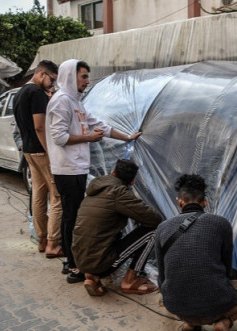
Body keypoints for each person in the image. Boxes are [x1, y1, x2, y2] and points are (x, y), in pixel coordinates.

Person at [46, 59, 142, 283]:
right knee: (72, 217)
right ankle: (73, 265)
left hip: (77, 167)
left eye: (88, 77)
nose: (87, 82)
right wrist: (88, 138)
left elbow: (100, 126)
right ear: (71, 77)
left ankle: (73, 260)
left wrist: (127, 137)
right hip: (66, 168)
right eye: (83, 77)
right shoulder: (61, 102)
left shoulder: (76, 102)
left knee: (75, 215)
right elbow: (59, 137)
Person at [154, 174, 237, 331]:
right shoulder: (221, 223)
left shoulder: (162, 228)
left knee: (178, 287)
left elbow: (162, 276)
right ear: (205, 202)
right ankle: (223, 323)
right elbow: (227, 269)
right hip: (216, 302)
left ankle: (189, 325)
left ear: (179, 202)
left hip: (176, 303)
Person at [72, 159, 163, 296]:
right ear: (132, 182)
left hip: (79, 258)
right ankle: (130, 280)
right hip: (100, 262)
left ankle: (92, 276)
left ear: (112, 173)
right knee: (153, 231)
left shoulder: (95, 189)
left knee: (98, 235)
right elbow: (155, 219)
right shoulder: (119, 193)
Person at [13, 60, 63, 257]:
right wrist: (50, 151)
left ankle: (42, 240)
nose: (52, 84)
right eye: (52, 80)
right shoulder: (36, 93)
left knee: (39, 195)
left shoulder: (19, 93)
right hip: (41, 151)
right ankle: (52, 244)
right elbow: (40, 126)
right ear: (42, 74)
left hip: (28, 150)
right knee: (57, 197)